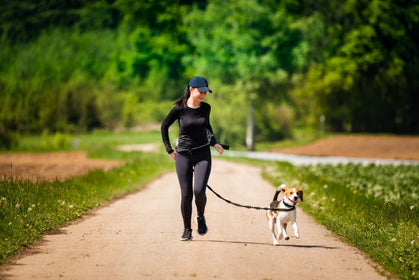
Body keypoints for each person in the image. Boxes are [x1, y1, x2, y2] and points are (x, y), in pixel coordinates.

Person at [161, 76, 224, 241]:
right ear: (191, 89)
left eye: (206, 92)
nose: (204, 95)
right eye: (201, 91)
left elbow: (207, 127)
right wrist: (169, 150)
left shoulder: (206, 108)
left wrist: (215, 142)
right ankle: (187, 230)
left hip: (203, 153)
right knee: (186, 194)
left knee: (199, 191)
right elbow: (164, 126)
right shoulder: (179, 109)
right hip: (183, 155)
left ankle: (201, 217)